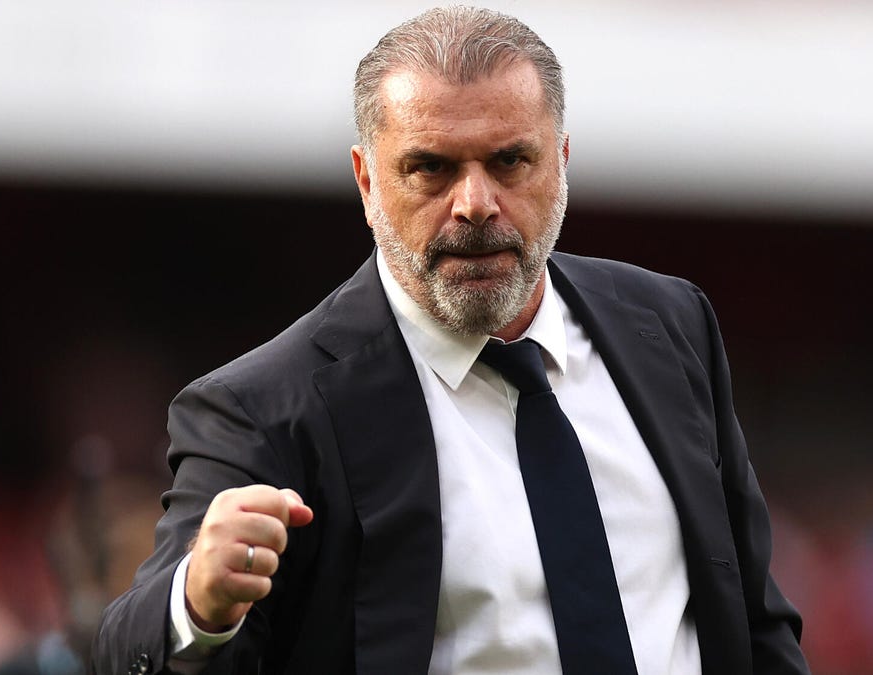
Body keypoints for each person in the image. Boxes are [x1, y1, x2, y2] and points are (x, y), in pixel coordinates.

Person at [92, 7, 806, 674]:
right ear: (367, 179)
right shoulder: (265, 409)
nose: (474, 203)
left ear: (561, 163)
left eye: (509, 161)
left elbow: (755, 619)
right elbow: (124, 644)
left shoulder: (670, 323)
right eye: (431, 166)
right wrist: (196, 603)